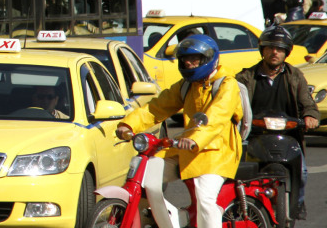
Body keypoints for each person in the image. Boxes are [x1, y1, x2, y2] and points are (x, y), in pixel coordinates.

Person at [115, 35, 241, 228]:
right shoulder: (187, 85)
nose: (189, 64)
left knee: (205, 200)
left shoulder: (227, 84)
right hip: (186, 147)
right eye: (184, 60)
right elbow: (157, 106)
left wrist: (195, 140)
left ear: (209, 59)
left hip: (218, 151)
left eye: (194, 59)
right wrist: (128, 125)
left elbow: (217, 117)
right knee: (148, 177)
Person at [235, 25, 319, 220]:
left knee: (303, 173)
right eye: (270, 47)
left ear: (286, 52)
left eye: (280, 49)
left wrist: (310, 116)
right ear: (262, 49)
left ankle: (297, 206)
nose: (275, 52)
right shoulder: (246, 77)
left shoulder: (295, 76)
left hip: (289, 137)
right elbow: (234, 104)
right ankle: (242, 209)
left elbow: (307, 102)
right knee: (238, 174)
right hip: (254, 136)